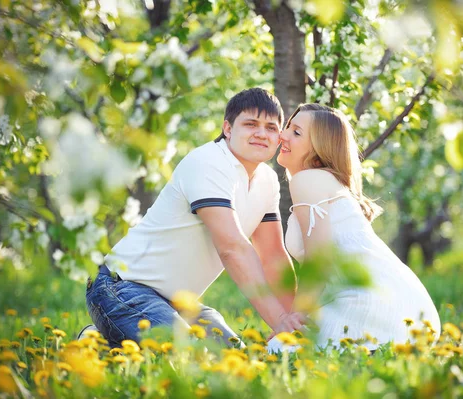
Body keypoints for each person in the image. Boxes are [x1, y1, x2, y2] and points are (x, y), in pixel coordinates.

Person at [83, 88, 303, 347]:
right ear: (228, 129)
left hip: (178, 303)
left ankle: (105, 340)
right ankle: (92, 343)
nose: (261, 133)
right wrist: (278, 320)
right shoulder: (208, 163)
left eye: (270, 127)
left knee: (237, 361)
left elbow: (273, 255)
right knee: (192, 360)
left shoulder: (266, 180)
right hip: (122, 288)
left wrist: (291, 325)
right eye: (251, 124)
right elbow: (232, 248)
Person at [267, 103, 441, 352]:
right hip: (410, 311)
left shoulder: (308, 179)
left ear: (319, 149)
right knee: (284, 347)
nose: (282, 135)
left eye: (296, 132)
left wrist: (291, 321)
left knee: (278, 349)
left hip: (382, 307)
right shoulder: (323, 181)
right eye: (288, 127)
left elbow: (319, 260)